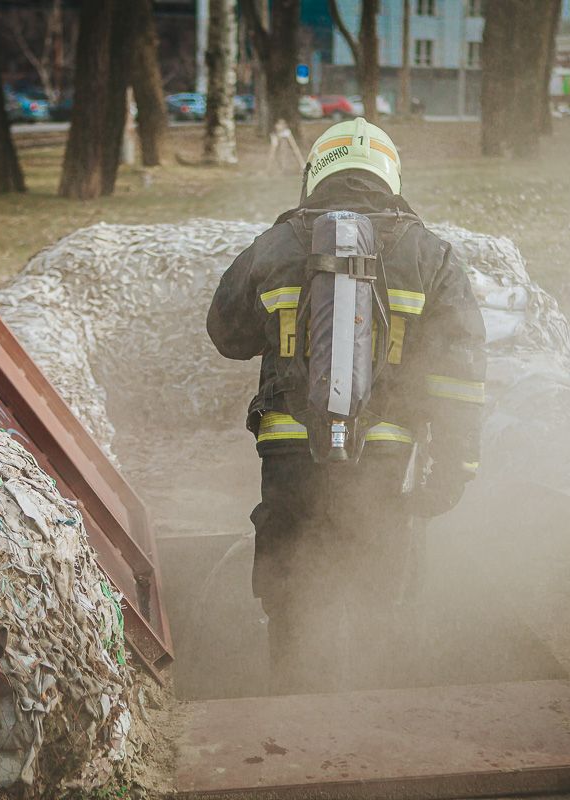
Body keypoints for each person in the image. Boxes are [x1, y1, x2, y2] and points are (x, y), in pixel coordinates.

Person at [206, 118, 486, 692]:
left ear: (316, 174)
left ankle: (291, 708)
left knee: (291, 591)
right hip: (383, 461)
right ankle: (379, 719)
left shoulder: (276, 244)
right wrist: (456, 468)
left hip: (290, 455)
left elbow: (226, 336)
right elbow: (461, 376)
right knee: (380, 594)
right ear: (391, 174)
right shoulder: (430, 255)